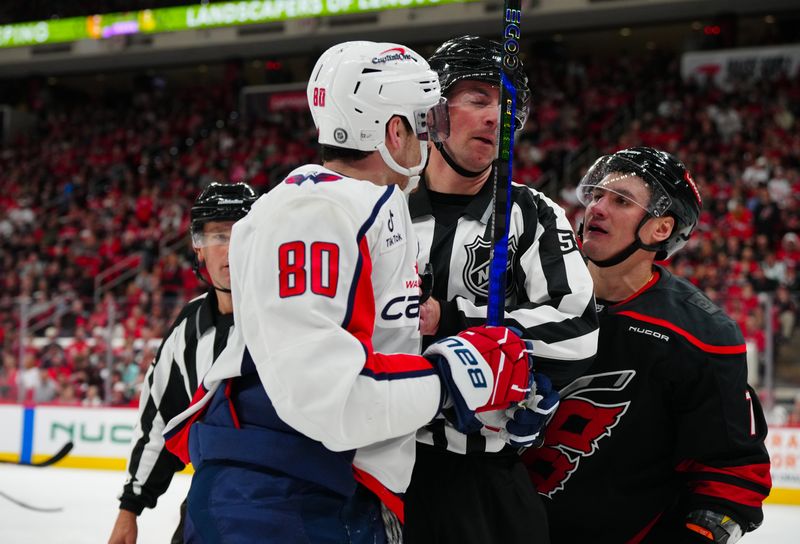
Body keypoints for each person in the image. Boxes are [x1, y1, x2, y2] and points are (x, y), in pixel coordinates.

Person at [163, 41, 535, 544]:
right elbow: (327, 396)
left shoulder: (361, 204)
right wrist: (460, 375)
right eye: (426, 123)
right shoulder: (315, 212)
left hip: (326, 492)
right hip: (282, 500)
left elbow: (372, 354)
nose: (432, 138)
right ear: (394, 131)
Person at [405, 35, 599, 544]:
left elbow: (578, 328)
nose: (498, 116)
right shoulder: (378, 205)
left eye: (507, 103)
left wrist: (456, 323)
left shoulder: (532, 213)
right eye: (477, 98)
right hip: (376, 462)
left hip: (483, 475)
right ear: (433, 112)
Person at [524, 147, 772, 543]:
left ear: (660, 229)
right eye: (597, 195)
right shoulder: (527, 289)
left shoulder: (700, 334)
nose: (597, 208)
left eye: (621, 201)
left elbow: (731, 471)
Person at [108, 182, 257, 544]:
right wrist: (130, 509)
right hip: (209, 505)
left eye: (243, 233)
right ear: (199, 249)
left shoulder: (291, 314)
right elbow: (160, 419)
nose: (230, 248)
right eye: (218, 236)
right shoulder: (189, 328)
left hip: (282, 506)